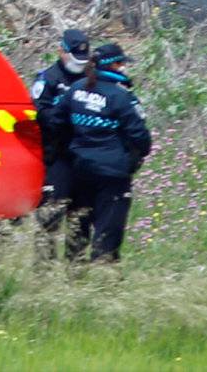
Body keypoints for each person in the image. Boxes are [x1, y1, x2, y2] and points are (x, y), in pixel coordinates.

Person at [41, 39, 152, 266]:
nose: (124, 68)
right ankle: (103, 280)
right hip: (112, 176)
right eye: (121, 64)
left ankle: (75, 275)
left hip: (80, 170)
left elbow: (54, 121)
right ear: (114, 66)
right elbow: (141, 138)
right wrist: (132, 161)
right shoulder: (122, 97)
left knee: (78, 227)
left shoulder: (76, 89)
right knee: (108, 231)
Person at [30, 27, 91, 231]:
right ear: (61, 51)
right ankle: (46, 262)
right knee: (51, 215)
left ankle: (77, 261)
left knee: (81, 215)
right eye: (75, 57)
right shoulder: (48, 79)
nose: (79, 64)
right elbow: (41, 114)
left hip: (84, 155)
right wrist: (68, 117)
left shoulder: (92, 79)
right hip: (57, 155)